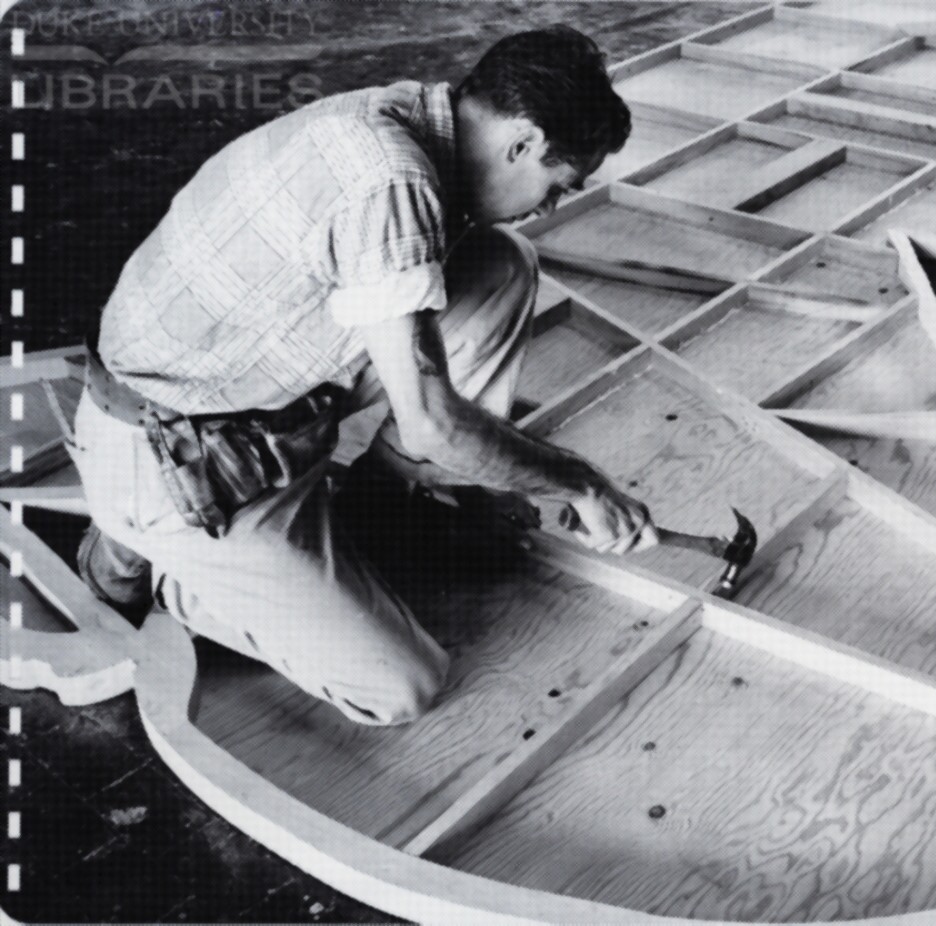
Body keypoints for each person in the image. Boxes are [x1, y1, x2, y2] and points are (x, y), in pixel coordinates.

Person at [69, 26, 659, 727]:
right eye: (558, 185)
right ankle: (164, 566)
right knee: (399, 686)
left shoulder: (415, 113)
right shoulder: (390, 178)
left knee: (501, 264)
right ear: (523, 141)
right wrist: (578, 482)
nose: (551, 206)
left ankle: (379, 508)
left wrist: (489, 472)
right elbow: (430, 423)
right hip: (175, 460)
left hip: (238, 395)